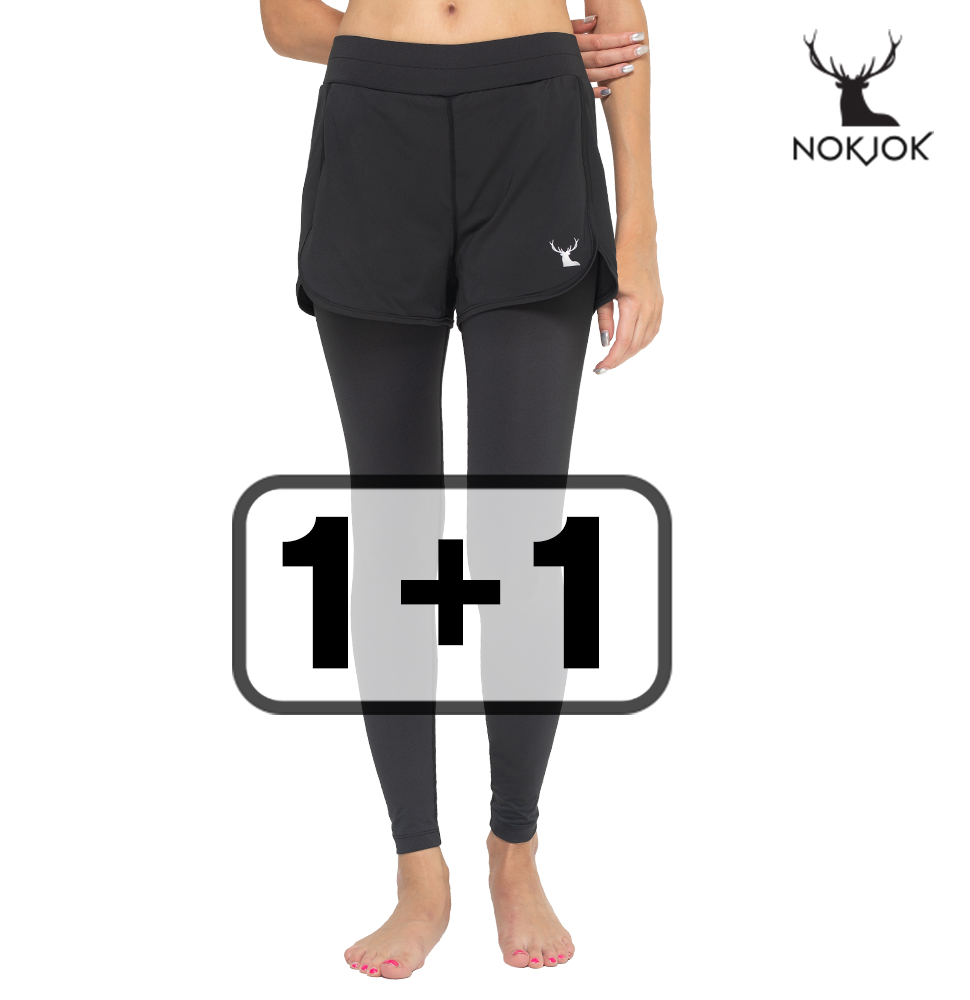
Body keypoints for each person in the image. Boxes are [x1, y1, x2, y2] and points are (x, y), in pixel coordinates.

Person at [260, 0, 663, 979]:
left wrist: (639, 228)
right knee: (392, 533)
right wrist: (383, 44)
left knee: (522, 534)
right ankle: (418, 869)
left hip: (533, 126)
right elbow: (282, 18)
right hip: (374, 126)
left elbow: (619, 21)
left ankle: (514, 847)